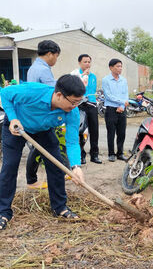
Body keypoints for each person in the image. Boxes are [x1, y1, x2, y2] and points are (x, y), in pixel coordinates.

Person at [0, 74, 86, 231]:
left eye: (78, 102)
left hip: (44, 131)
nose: (75, 106)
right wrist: (12, 118)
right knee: (9, 166)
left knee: (56, 165)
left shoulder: (72, 112)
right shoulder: (33, 91)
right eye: (73, 102)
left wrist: (75, 166)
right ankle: (3, 212)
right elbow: (4, 94)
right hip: (17, 127)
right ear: (59, 95)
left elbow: (72, 141)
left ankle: (59, 207)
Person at [26, 40, 61, 189]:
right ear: (49, 54)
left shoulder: (34, 67)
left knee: (40, 146)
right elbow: (51, 90)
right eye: (56, 56)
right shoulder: (43, 69)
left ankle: (33, 179)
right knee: (45, 146)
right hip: (40, 114)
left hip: (33, 113)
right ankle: (32, 180)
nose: (56, 59)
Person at [71, 54, 101, 164]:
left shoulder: (93, 76)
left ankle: (94, 155)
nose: (87, 64)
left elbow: (92, 91)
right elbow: (74, 87)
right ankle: (81, 155)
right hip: (79, 105)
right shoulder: (75, 74)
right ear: (79, 63)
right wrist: (83, 76)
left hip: (91, 105)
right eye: (85, 62)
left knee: (94, 130)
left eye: (89, 62)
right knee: (80, 131)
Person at [102, 59, 129, 162]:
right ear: (111, 67)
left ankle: (120, 153)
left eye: (121, 66)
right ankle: (111, 154)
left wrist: (122, 105)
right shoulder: (106, 80)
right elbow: (108, 96)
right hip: (111, 109)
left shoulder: (123, 80)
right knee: (111, 133)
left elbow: (125, 94)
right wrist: (121, 102)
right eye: (118, 66)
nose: (120, 68)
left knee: (122, 133)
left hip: (122, 109)